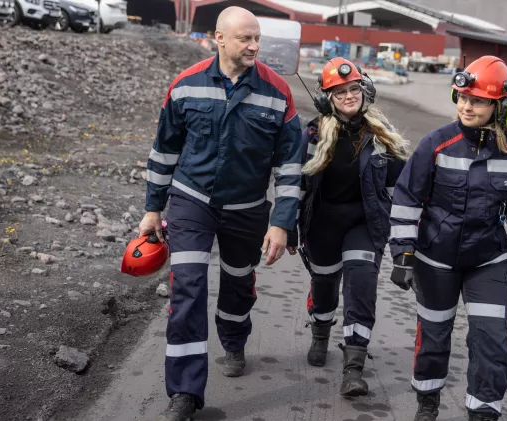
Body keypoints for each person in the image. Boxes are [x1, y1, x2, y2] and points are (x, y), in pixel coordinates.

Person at [138, 6, 303, 421]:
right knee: (187, 288)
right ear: (220, 38)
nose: (254, 46)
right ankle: (185, 393)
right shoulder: (185, 85)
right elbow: (164, 151)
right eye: (246, 38)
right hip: (191, 203)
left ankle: (233, 338)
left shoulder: (278, 92)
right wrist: (152, 209)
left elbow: (290, 166)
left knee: (237, 284)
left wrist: (282, 222)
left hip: (247, 210)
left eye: (258, 38)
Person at [388, 56, 507, 421]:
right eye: (461, 97)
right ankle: (427, 402)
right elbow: (407, 198)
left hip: (487, 261)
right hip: (435, 260)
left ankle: (484, 412)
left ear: (500, 105)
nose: (466, 106)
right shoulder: (437, 144)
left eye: (478, 100)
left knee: (491, 339)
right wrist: (403, 253)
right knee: (434, 336)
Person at [291, 57, 409, 397]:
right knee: (325, 285)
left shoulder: (380, 135)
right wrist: (285, 227)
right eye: (338, 91)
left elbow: (405, 187)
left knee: (361, 283)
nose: (347, 96)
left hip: (363, 224)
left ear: (364, 90)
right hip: (322, 226)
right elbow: (294, 185)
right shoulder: (312, 135)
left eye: (353, 88)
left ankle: (354, 366)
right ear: (326, 98)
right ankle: (321, 332)